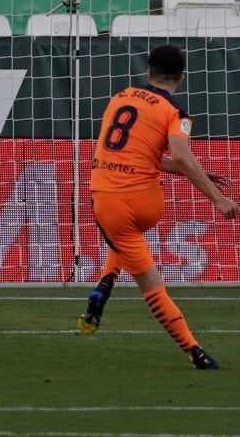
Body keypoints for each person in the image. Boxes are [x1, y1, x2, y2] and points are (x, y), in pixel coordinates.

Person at [78, 44, 239, 369]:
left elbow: (143, 155)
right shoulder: (176, 113)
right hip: (147, 205)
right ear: (181, 78)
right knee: (129, 241)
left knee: (140, 268)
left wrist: (204, 184)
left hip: (110, 201)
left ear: (148, 72)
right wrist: (212, 192)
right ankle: (106, 288)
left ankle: (194, 351)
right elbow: (177, 155)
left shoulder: (121, 97)